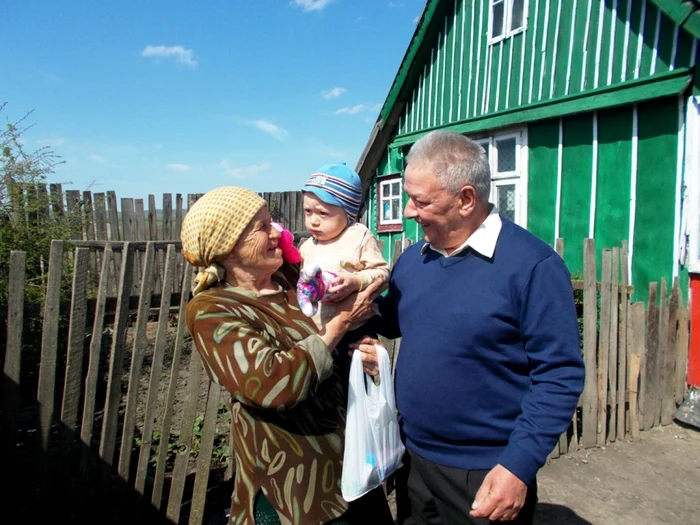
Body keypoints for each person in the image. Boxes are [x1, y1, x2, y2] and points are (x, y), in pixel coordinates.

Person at [352, 130, 586, 524]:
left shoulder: (532, 267)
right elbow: (392, 321)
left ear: (465, 199)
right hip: (413, 460)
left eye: (420, 200)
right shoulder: (414, 260)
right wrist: (350, 299)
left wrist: (517, 466)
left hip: (485, 472)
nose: (408, 211)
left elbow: (559, 376)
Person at [181, 186, 394, 525]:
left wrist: (362, 354)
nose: (277, 232)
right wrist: (340, 324)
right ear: (227, 246)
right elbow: (272, 383)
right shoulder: (212, 311)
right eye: (262, 227)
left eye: (272, 222)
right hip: (295, 491)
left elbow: (328, 345)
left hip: (353, 468)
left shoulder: (291, 280)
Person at [298, 164, 390, 331]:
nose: (313, 221)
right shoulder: (306, 246)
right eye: (308, 211)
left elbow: (383, 273)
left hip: (354, 330)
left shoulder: (358, 237)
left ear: (349, 213)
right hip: (316, 330)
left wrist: (356, 281)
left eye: (323, 213)